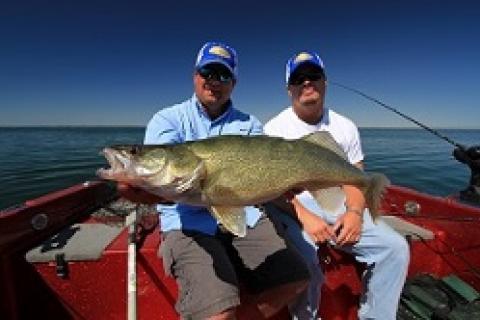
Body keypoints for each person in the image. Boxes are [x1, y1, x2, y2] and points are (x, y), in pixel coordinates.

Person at [120, 41, 310, 320]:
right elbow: (164, 180)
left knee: (295, 279)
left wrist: (287, 184)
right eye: (207, 72)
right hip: (187, 224)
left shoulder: (249, 124)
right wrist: (138, 180)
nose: (214, 82)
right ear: (195, 75)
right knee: (217, 314)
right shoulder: (168, 120)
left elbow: (263, 178)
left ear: (233, 83)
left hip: (244, 217)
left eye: (222, 75)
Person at [263, 51, 410, 320]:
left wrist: (354, 213)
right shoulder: (273, 129)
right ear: (289, 89)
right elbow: (271, 190)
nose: (307, 83)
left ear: (324, 82)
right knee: (305, 258)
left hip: (338, 199)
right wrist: (305, 217)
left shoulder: (346, 126)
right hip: (291, 204)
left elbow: (354, 177)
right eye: (298, 78)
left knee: (395, 248)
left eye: (313, 76)